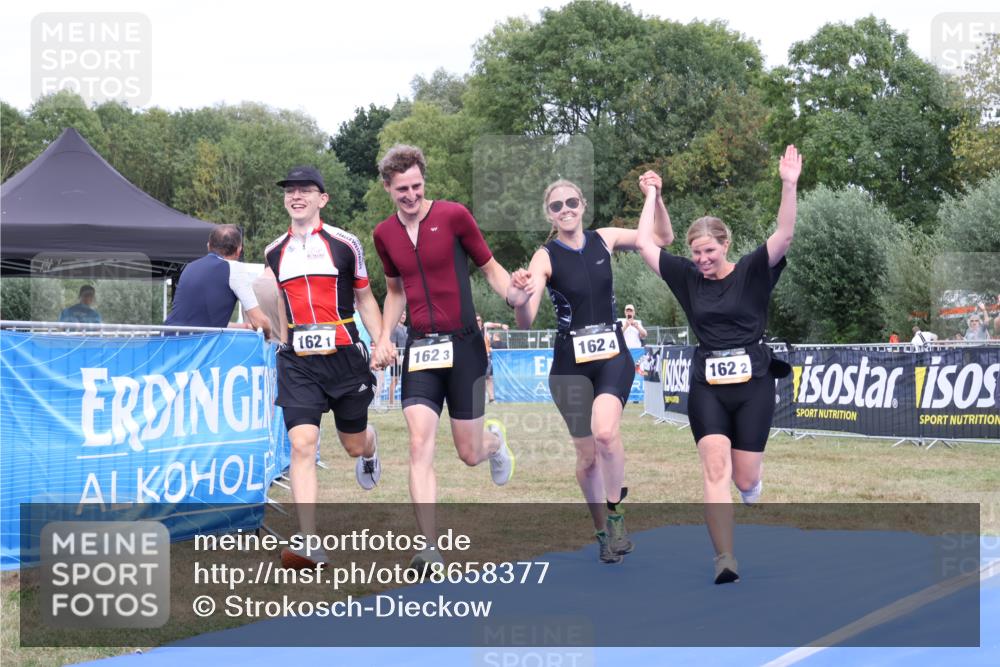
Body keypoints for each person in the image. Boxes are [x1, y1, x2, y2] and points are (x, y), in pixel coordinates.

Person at [634, 145, 802, 584]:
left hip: (754, 384)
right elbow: (644, 245)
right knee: (713, 467)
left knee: (744, 479)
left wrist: (789, 184)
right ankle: (724, 557)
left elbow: (783, 235)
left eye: (709, 251)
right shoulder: (688, 279)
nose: (703, 260)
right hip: (707, 383)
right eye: (696, 254)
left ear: (725, 244)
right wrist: (652, 196)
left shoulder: (751, 270)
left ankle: (751, 486)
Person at [507, 176, 673, 563]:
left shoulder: (605, 238)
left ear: (582, 205)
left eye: (571, 202)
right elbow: (526, 320)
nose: (565, 210)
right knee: (587, 458)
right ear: (549, 214)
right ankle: (602, 531)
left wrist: (656, 196)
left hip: (612, 356)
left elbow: (660, 238)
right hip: (570, 367)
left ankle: (616, 516)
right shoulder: (544, 256)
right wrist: (518, 297)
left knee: (606, 434)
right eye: (556, 206)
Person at [371, 144, 515, 571]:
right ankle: (429, 547)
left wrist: (513, 294)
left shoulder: (453, 216)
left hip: (465, 345)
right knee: (419, 442)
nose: (411, 196)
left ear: (424, 180)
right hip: (420, 349)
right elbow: (394, 291)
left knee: (469, 453)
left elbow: (490, 266)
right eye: (402, 190)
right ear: (387, 188)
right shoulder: (384, 234)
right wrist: (383, 337)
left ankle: (495, 444)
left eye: (416, 186)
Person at [264, 166, 384, 568]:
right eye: (290, 191)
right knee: (302, 445)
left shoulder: (345, 243)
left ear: (322, 199)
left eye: (305, 190)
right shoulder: (274, 250)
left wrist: (382, 340)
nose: (296, 196)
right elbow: (280, 299)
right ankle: (309, 541)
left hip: (345, 356)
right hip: (298, 361)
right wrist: (283, 338)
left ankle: (371, 446)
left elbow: (365, 298)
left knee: (352, 444)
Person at [164, 225, 271, 338]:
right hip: (198, 346)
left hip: (167, 340)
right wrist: (269, 335)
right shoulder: (234, 269)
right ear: (239, 250)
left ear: (208, 246)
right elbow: (259, 322)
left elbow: (200, 322)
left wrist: (245, 327)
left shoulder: (189, 267)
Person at [387, 311, 409, 407]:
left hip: (406, 357)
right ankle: (391, 403)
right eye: (401, 314)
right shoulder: (395, 328)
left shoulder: (406, 328)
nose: (403, 316)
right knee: (394, 380)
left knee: (406, 380)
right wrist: (397, 359)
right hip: (397, 358)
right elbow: (393, 344)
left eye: (404, 314)